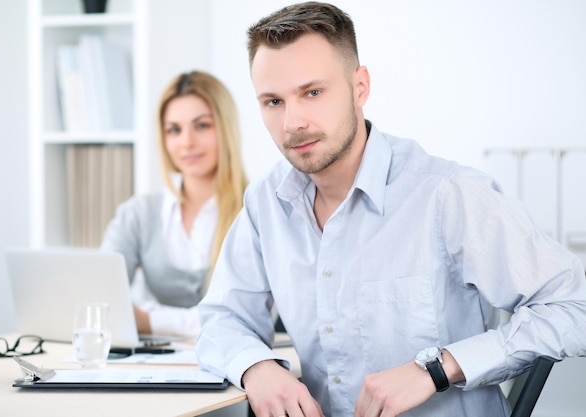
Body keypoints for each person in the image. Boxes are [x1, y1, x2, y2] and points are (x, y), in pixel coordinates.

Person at [195, 2, 586, 417]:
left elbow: (574, 307)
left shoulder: (446, 195)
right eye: (273, 101)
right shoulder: (265, 204)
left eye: (313, 92)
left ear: (359, 87)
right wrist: (257, 367)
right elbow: (222, 318)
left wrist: (436, 369)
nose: (293, 122)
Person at [101, 70, 248, 338]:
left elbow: (246, 316)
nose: (186, 142)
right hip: (155, 366)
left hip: (239, 367)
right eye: (174, 130)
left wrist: (148, 320)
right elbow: (101, 300)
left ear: (226, 128)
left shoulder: (255, 211)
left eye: (202, 125)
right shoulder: (138, 214)